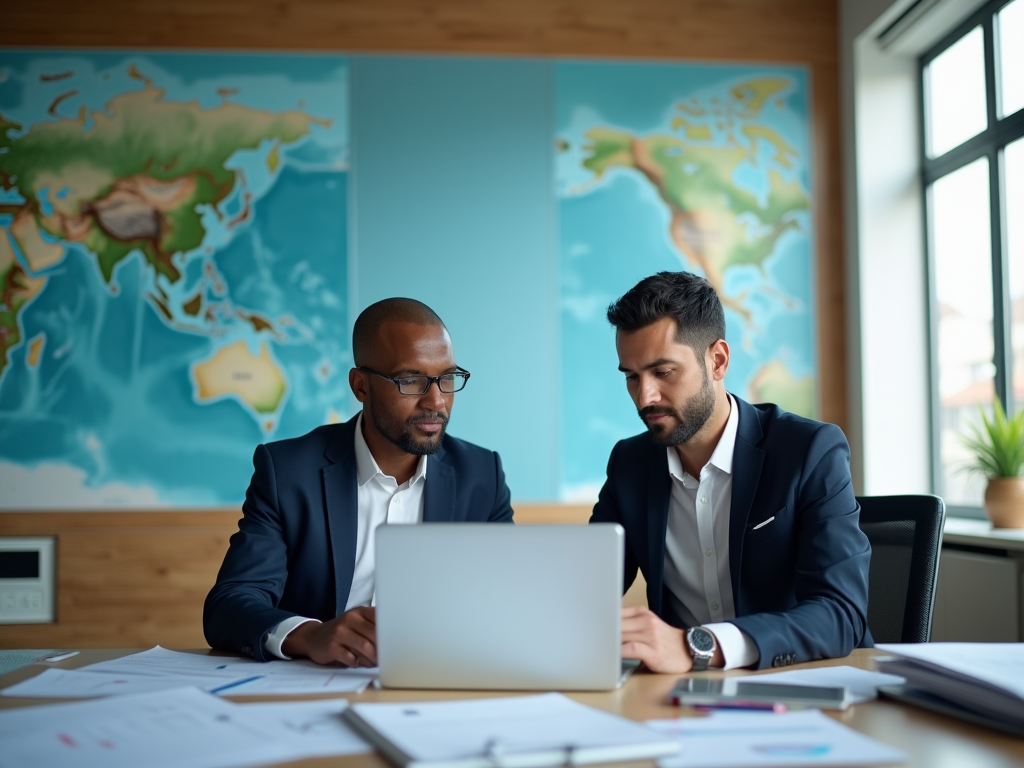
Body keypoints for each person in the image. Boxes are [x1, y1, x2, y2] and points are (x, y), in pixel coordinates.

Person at [204, 298, 513, 666]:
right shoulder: (287, 472)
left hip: (437, 683)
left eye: (446, 378)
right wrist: (311, 635)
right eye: (410, 380)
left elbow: (507, 599)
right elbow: (231, 604)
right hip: (315, 689)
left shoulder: (482, 475)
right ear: (361, 386)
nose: (436, 401)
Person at [590, 271, 871, 673]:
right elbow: (587, 591)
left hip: (798, 682)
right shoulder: (629, 464)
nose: (644, 396)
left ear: (717, 360)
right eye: (632, 377)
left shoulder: (809, 451)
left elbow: (840, 613)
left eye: (663, 372)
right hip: (684, 697)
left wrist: (697, 647)